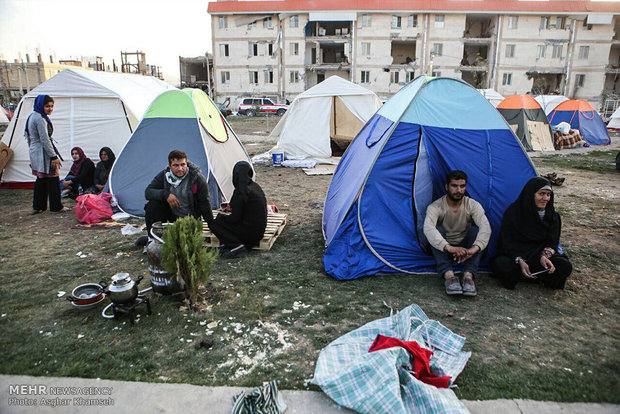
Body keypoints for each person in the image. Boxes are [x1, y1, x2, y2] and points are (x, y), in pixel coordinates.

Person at [492, 177, 572, 290]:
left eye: (548, 194)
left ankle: (532, 275)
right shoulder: (514, 213)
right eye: (541, 194)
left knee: (564, 265)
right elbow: (506, 242)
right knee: (500, 264)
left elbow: (552, 242)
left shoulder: (552, 216)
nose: (545, 198)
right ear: (531, 194)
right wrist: (520, 260)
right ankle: (539, 276)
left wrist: (545, 257)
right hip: (518, 255)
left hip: (539, 258)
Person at [423, 170, 491, 296]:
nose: (458, 190)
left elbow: (485, 227)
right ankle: (449, 276)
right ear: (447, 187)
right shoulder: (436, 206)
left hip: (465, 250)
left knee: (476, 231)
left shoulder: (472, 205)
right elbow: (428, 228)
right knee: (437, 231)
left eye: (462, 186)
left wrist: (474, 249)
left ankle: (468, 277)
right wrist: (450, 248)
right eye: (454, 186)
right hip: (444, 249)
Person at [143, 149, 213, 238]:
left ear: (186, 163)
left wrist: (211, 224)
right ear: (170, 166)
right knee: (152, 204)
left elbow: (204, 202)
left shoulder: (196, 179)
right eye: (176, 165)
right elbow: (148, 192)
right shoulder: (165, 176)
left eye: (183, 165)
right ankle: (151, 239)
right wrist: (166, 195)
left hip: (190, 219)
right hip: (171, 218)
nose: (180, 169)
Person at [209, 161, 267, 259]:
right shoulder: (255, 186)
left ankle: (237, 247)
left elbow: (234, 218)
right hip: (258, 233)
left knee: (214, 224)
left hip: (249, 234)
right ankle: (231, 244)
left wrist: (221, 217)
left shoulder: (241, 191)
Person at [25, 94, 69, 214]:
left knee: (41, 179)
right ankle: (56, 206)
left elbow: (27, 136)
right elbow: (44, 139)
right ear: (41, 106)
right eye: (47, 106)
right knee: (53, 179)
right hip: (43, 152)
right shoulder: (40, 118)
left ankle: (38, 206)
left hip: (35, 151)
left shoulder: (32, 116)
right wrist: (53, 156)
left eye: (51, 106)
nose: (50, 109)